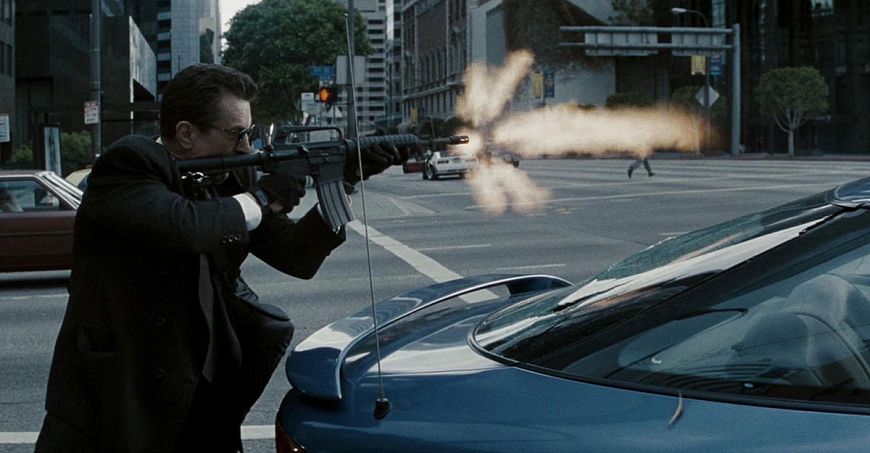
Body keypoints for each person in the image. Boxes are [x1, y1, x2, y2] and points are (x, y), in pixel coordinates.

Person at [35, 63, 413, 452]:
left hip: (203, 389)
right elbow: (185, 227)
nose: (246, 147)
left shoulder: (229, 177)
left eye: (249, 132)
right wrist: (263, 197)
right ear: (186, 133)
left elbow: (297, 256)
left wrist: (344, 178)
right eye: (235, 134)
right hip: (123, 393)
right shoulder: (128, 165)